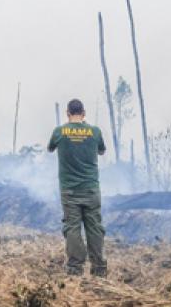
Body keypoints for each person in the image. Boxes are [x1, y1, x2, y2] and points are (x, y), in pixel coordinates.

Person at [47, 98, 107, 277]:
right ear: (84, 113)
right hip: (91, 189)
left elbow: (50, 148)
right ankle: (99, 269)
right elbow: (102, 151)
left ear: (67, 113)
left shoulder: (59, 132)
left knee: (72, 227)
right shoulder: (94, 131)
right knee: (94, 228)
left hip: (69, 191)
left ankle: (75, 269)